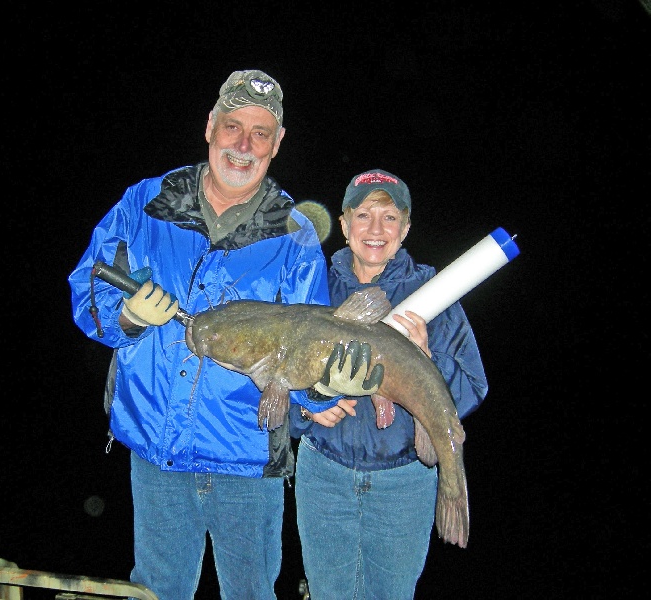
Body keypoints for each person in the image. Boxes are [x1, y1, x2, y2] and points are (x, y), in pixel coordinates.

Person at [68, 69, 361, 600]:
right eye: (233, 126)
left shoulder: (295, 237)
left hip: (247, 460)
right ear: (210, 126)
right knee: (156, 592)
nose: (243, 145)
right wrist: (128, 316)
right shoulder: (144, 203)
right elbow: (87, 287)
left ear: (278, 143)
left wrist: (326, 389)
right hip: (156, 455)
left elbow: (313, 352)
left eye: (260, 133)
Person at [290, 169, 489, 599]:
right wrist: (305, 409)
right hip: (323, 475)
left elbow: (474, 387)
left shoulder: (434, 292)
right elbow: (275, 377)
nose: (376, 230)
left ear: (406, 226)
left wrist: (428, 360)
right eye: (363, 215)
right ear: (343, 225)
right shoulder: (311, 285)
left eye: (389, 216)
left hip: (405, 482)